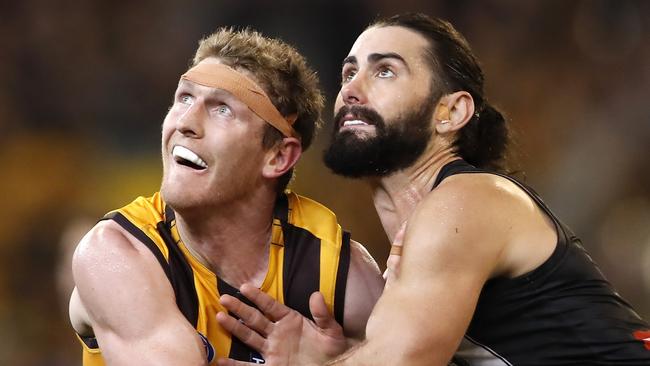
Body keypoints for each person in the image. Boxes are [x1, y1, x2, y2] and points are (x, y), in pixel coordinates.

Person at [215, 13, 650, 365]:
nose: (351, 89)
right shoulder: (428, 241)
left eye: (384, 71)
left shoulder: (468, 200)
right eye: (349, 72)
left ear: (451, 112)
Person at [68, 27, 384, 366]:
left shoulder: (337, 272)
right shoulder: (114, 254)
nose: (186, 122)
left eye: (222, 109)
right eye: (184, 98)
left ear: (277, 156)